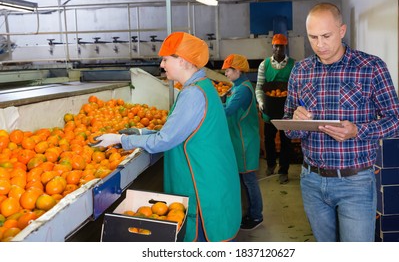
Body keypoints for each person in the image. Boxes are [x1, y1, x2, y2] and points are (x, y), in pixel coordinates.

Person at [92, 32, 242, 242]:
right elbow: (178, 132)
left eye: (165, 59)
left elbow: (165, 141)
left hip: (203, 182)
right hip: (213, 175)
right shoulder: (202, 87)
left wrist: (119, 140)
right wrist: (142, 132)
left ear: (182, 61)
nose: (162, 65)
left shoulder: (192, 94)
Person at [284, 3, 399, 242]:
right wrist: (295, 122)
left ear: (342, 30)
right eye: (313, 37)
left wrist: (357, 131)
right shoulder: (300, 71)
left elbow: (396, 122)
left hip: (355, 182)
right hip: (312, 181)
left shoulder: (370, 68)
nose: (319, 45)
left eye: (326, 36)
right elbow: (288, 127)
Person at [221, 54, 263, 230]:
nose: (226, 75)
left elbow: (228, 111)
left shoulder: (243, 90)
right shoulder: (237, 87)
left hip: (245, 141)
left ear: (237, 70)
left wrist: (205, 107)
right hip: (240, 139)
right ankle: (250, 213)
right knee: (246, 179)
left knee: (249, 180)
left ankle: (256, 216)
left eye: (228, 71)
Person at [255, 33, 295, 184]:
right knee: (269, 139)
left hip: (287, 109)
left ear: (286, 47)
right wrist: (261, 102)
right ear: (272, 47)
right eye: (276, 46)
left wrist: (293, 105)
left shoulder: (293, 65)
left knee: (286, 141)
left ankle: (283, 170)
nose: (279, 49)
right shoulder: (264, 65)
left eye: (282, 46)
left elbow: (297, 88)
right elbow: (259, 87)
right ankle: (271, 164)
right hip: (269, 108)